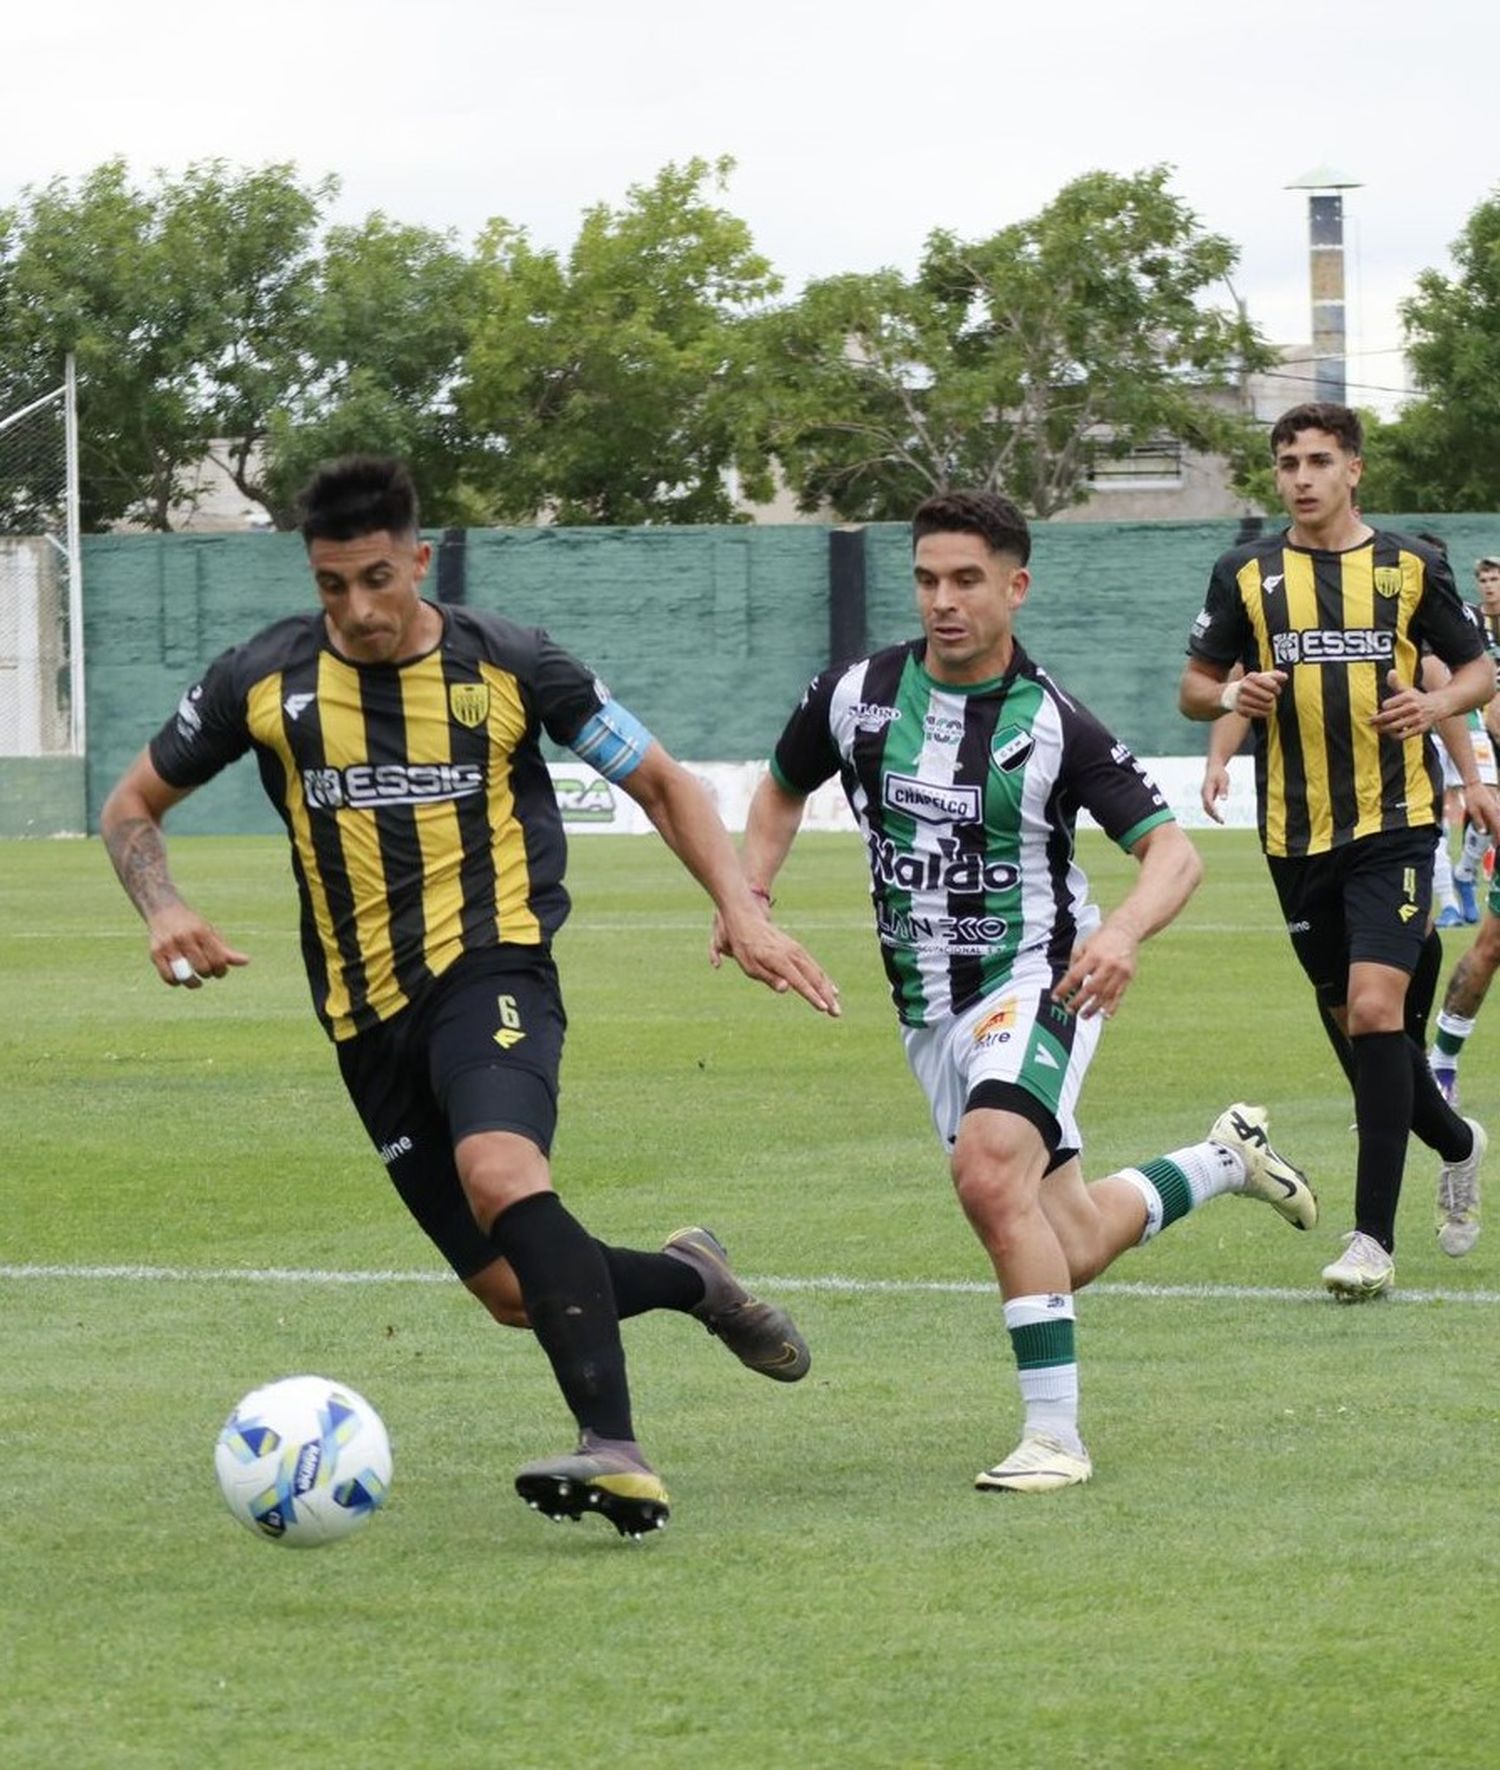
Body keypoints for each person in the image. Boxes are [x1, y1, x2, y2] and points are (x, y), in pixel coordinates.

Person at [100, 455, 841, 1540]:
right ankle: (695, 1280)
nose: (356, 608)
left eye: (376, 578)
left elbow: (663, 781)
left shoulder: (514, 665)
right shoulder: (262, 681)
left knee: (502, 1170)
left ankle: (615, 1450)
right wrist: (159, 905)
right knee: (509, 1291)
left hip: (493, 969)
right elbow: (132, 806)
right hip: (363, 1020)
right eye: (330, 585)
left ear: (419, 559)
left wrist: (741, 904)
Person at [716, 489, 1316, 1495]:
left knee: (992, 1175)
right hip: (930, 1012)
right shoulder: (856, 693)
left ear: (1015, 587)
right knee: (1066, 1244)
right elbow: (780, 785)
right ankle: (1221, 1161)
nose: (943, 601)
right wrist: (752, 899)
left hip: (1038, 983)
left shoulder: (1054, 724)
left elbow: (1172, 856)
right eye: (926, 579)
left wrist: (1121, 933)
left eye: (966, 580)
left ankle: (1054, 1439)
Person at [1179, 402, 1494, 1298]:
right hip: (1292, 834)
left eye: (1319, 460)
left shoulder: (1408, 566)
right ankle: (1457, 1140)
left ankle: (1372, 1242)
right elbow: (1195, 689)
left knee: (1372, 1008)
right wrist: (1233, 696)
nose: (1302, 477)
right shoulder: (1243, 573)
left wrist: (1437, 711)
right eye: (1288, 463)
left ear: (1354, 469)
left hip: (1394, 823)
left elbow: (1473, 669)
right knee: (1362, 1039)